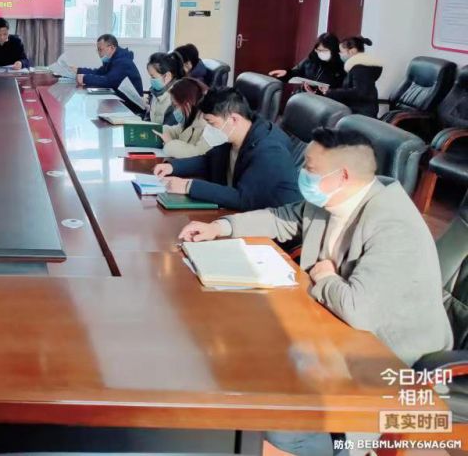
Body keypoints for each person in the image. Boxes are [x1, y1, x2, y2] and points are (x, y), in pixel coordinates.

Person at [178, 127, 452, 455]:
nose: (301, 174)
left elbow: (359, 311)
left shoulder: (393, 225)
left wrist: (325, 278)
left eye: (309, 168)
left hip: (388, 357)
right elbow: (282, 218)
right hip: (331, 332)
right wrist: (221, 227)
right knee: (238, 361)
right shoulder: (334, 198)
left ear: (343, 175)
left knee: (282, 421)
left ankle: (339, 445)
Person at [153, 87, 301, 211]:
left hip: (271, 225)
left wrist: (189, 186)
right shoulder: (233, 136)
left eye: (212, 123)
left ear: (234, 119)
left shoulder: (269, 150)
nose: (208, 130)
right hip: (234, 214)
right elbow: (209, 161)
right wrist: (172, 167)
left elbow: (244, 199)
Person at [314, 35, 382, 117]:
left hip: (360, 115)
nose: (340, 54)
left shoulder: (360, 68)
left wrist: (331, 92)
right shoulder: (360, 67)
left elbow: (359, 92)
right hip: (359, 112)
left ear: (352, 51)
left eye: (341, 52)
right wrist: (329, 92)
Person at [155, 78, 211, 158]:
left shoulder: (207, 125)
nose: (174, 111)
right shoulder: (191, 119)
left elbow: (196, 154)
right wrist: (158, 129)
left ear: (187, 104)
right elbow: (176, 132)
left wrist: (170, 143)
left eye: (176, 106)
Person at [269, 32, 346, 89]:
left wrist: (321, 91)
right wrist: (287, 73)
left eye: (324, 50)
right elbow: (297, 71)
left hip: (323, 101)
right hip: (303, 96)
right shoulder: (311, 59)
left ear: (333, 50)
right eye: (318, 50)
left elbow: (338, 90)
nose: (320, 53)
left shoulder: (340, 68)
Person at [74, 33, 143, 96]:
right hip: (120, 96)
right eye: (98, 50)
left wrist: (85, 78)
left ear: (112, 48)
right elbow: (99, 72)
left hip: (131, 103)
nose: (99, 53)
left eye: (100, 49)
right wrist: (79, 70)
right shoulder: (111, 59)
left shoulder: (123, 62)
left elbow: (109, 82)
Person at [146, 51, 184, 125]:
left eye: (153, 77)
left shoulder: (176, 99)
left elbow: (169, 128)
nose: (151, 80)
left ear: (167, 76)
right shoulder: (156, 92)